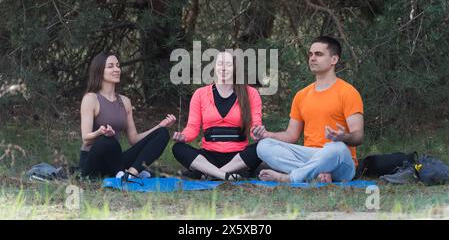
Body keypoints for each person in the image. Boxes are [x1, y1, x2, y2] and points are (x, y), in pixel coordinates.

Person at [253, 36, 364, 183]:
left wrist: (343, 137)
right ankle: (315, 174)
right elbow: (291, 135)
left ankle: (290, 177)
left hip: (339, 160)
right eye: (310, 54)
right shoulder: (301, 95)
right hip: (311, 156)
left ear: (334, 60)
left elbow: (359, 136)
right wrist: (269, 134)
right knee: (263, 146)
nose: (312, 58)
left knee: (336, 147)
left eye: (319, 54)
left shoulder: (348, 92)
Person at [79, 52, 176, 181]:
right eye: (110, 66)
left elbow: (134, 139)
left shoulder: (125, 102)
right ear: (99, 71)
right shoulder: (91, 99)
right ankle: (121, 171)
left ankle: (130, 173)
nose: (116, 69)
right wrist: (100, 132)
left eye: (118, 66)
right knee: (108, 140)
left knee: (162, 133)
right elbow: (86, 139)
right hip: (92, 162)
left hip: (115, 160)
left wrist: (159, 126)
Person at [172, 51, 262, 180]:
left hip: (238, 157)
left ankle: (211, 174)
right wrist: (183, 136)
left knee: (262, 148)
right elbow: (192, 127)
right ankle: (224, 175)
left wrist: (258, 133)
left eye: (228, 64)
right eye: (220, 64)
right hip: (209, 156)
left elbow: (255, 125)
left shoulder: (251, 93)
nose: (223, 68)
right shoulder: (200, 94)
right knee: (178, 148)